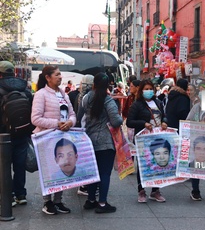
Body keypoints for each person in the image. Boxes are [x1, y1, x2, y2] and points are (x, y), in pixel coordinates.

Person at [31, 65, 76, 215]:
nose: (60, 77)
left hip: (63, 139)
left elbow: (72, 114)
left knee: (61, 169)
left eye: (60, 74)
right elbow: (35, 119)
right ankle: (47, 202)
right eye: (56, 75)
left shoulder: (64, 94)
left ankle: (58, 201)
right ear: (48, 78)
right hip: (46, 139)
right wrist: (56, 124)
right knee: (48, 171)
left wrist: (70, 123)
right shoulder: (41, 94)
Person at [82, 72, 123, 213]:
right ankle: (102, 203)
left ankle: (91, 200)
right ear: (108, 86)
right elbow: (116, 121)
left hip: (89, 140)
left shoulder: (86, 98)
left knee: (93, 172)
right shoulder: (108, 100)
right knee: (104, 173)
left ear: (93, 84)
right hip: (105, 142)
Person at [126, 79, 168, 203]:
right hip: (143, 139)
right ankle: (141, 190)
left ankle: (155, 191)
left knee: (157, 164)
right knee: (143, 164)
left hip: (158, 138)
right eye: (146, 89)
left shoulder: (158, 102)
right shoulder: (137, 104)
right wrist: (143, 123)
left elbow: (164, 115)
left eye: (151, 89)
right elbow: (129, 121)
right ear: (141, 90)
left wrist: (165, 121)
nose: (149, 91)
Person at [0, 61, 33, 207]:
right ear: (13, 72)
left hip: (3, 135)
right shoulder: (24, 88)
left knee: (4, 166)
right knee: (20, 165)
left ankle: (8, 196)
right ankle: (21, 194)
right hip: (22, 132)